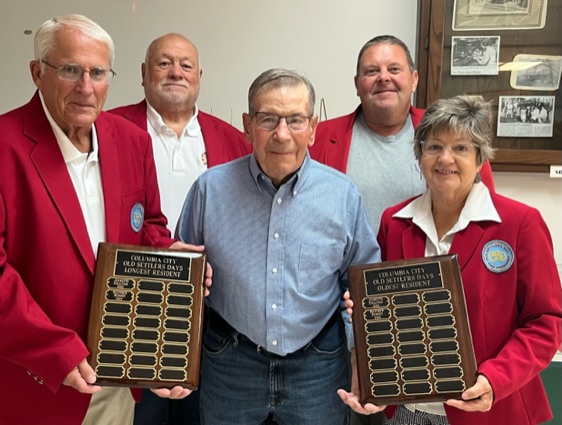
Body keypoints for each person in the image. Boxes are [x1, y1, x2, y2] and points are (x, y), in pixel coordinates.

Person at [0, 14, 205, 425]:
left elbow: (148, 225)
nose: (86, 87)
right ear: (37, 73)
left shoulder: (131, 142)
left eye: (98, 72)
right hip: (32, 385)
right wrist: (55, 351)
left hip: (118, 374)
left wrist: (170, 259)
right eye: (69, 70)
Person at [339, 95, 562, 425]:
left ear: (479, 157)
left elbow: (546, 322)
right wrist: (364, 311)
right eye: (433, 147)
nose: (446, 158)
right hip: (406, 412)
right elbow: (387, 316)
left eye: (460, 147)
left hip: (489, 410)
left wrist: (494, 379)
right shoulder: (395, 222)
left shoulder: (520, 223)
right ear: (420, 155)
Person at [176, 68, 381, 425]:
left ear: (314, 127)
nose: (282, 134)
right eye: (268, 119)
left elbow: (362, 288)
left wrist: (359, 358)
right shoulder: (209, 191)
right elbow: (182, 282)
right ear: (247, 124)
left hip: (318, 367)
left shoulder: (342, 195)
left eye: (295, 120)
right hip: (230, 363)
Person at [110, 33, 250, 425]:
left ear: (199, 75)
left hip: (210, 307)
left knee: (200, 413)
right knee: (141, 415)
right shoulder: (109, 130)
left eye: (186, 65)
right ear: (142, 74)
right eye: (164, 63)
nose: (176, 72)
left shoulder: (232, 139)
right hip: (135, 303)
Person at [310, 35, 495, 234]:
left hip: (427, 261)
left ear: (414, 80)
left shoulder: (454, 134)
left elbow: (484, 209)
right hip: (345, 264)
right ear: (357, 84)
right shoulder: (318, 138)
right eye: (372, 71)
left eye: (394, 69)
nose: (383, 77)